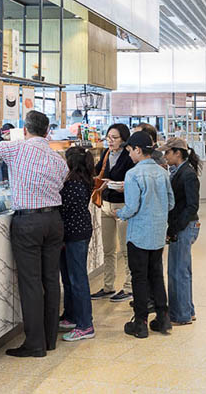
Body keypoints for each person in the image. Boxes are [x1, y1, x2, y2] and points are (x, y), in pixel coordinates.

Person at [0, 111, 68, 358]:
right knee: (51, 279)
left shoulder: (16, 149)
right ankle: (50, 339)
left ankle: (35, 344)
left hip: (28, 221)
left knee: (31, 283)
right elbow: (61, 183)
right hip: (53, 220)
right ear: (47, 132)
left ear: (25, 130)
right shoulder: (58, 158)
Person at [118, 131, 175, 339]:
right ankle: (163, 318)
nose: (129, 154)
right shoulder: (162, 172)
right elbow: (171, 203)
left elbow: (132, 207)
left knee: (139, 278)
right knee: (156, 275)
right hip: (158, 233)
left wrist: (119, 213)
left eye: (130, 150)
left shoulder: (133, 174)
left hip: (139, 234)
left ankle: (140, 323)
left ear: (138, 150)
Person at [90, 123, 135, 303]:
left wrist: (118, 184)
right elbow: (98, 172)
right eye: (108, 137)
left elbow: (132, 181)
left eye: (114, 138)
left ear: (123, 139)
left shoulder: (129, 156)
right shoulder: (106, 154)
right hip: (106, 204)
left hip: (123, 205)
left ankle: (129, 287)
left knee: (125, 249)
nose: (110, 140)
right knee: (108, 249)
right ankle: (108, 286)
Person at [161, 137, 201, 326]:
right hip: (181, 226)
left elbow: (192, 206)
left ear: (178, 153)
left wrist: (175, 227)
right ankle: (187, 310)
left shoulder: (187, 174)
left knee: (178, 271)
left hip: (184, 226)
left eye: (167, 152)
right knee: (181, 270)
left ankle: (182, 314)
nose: (165, 156)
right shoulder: (178, 171)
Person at [58, 147, 96, 342]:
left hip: (75, 235)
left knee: (77, 279)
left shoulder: (73, 183)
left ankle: (85, 324)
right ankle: (71, 315)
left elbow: (63, 208)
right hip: (75, 233)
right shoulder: (85, 179)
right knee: (69, 277)